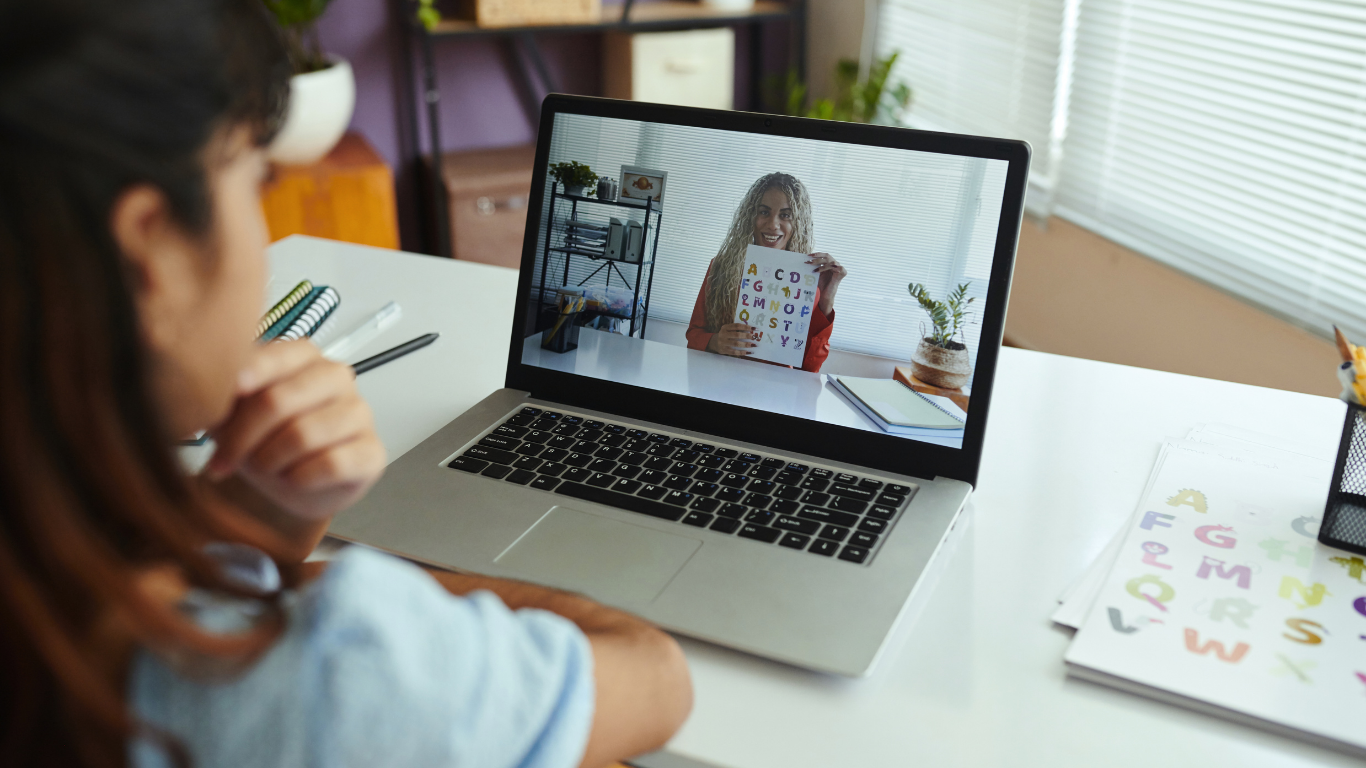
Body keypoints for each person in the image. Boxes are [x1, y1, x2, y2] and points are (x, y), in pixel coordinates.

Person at [0, 1, 692, 766]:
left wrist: (264, 513)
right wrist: (359, 605)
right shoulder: (327, 683)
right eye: (256, 184)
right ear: (150, 254)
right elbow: (658, 676)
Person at [684, 172, 848, 373]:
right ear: (750, 217)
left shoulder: (806, 280)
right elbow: (694, 336)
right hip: (721, 379)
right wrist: (715, 341)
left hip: (776, 386)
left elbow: (810, 367)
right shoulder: (721, 267)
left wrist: (826, 300)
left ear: (798, 222)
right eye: (764, 212)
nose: (773, 225)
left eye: (785, 215)